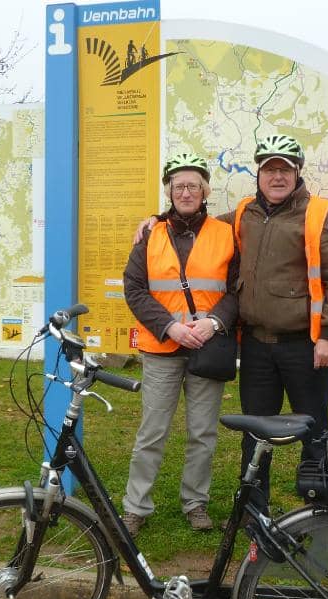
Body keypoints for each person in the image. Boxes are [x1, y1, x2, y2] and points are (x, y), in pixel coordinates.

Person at [133, 135, 328, 500]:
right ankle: (253, 507)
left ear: (297, 172)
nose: (277, 177)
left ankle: (318, 502)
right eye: (270, 169)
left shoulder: (321, 214)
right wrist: (157, 220)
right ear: (259, 175)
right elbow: (193, 223)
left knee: (314, 426)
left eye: (285, 169)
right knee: (254, 432)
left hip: (305, 344)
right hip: (256, 346)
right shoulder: (243, 214)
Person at [121, 153, 238, 537]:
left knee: (202, 433)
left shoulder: (226, 233)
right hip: (163, 349)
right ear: (169, 191)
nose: (186, 192)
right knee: (152, 431)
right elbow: (134, 289)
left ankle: (195, 503)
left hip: (208, 346)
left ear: (205, 192)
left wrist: (214, 322)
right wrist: (169, 327)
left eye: (193, 186)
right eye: (178, 186)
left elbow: (237, 288)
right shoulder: (150, 233)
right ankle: (136, 506)